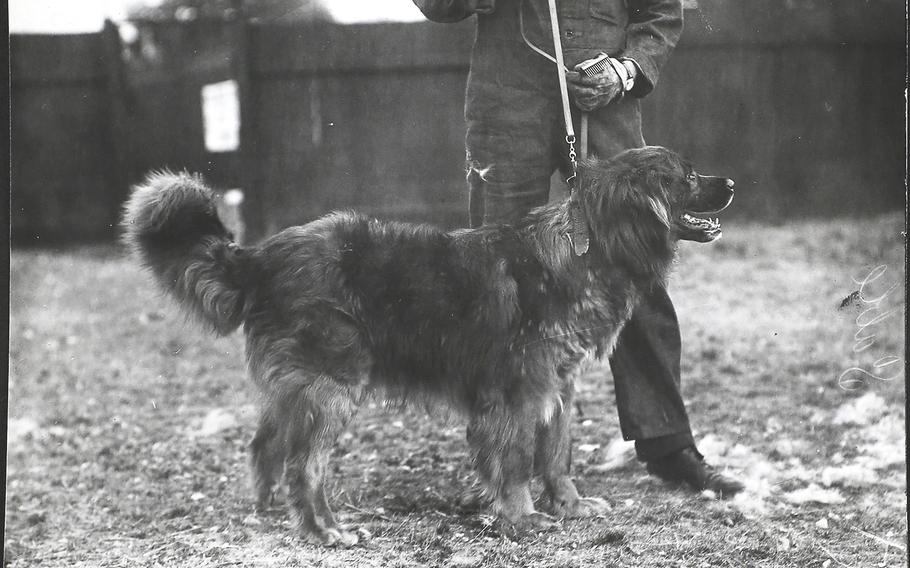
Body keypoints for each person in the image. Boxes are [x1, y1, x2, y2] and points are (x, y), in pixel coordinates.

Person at [413, 0, 744, 496]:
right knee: (493, 283)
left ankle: (669, 444)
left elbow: (660, 11)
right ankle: (503, 464)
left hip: (604, 102)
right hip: (506, 105)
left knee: (637, 269)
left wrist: (627, 70)